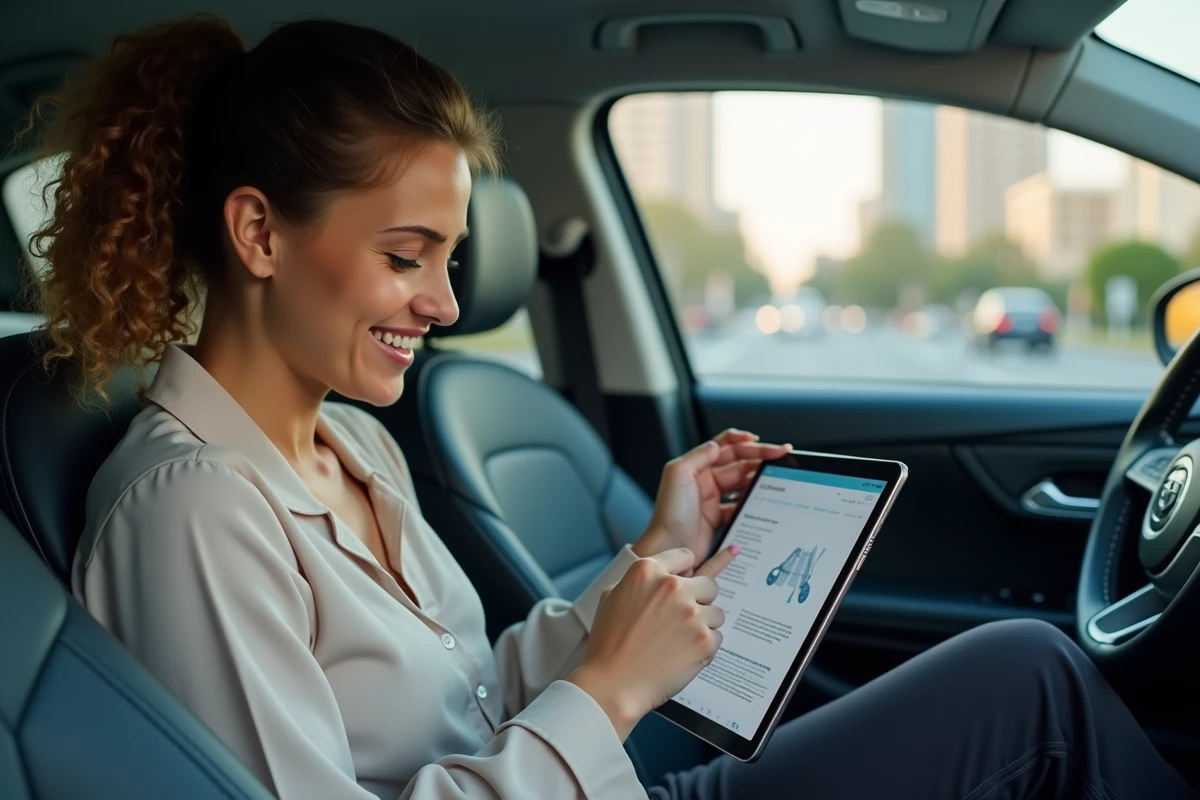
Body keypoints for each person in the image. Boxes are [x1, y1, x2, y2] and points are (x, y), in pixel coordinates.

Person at [27, 14, 1195, 800]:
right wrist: (612, 688)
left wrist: (650, 555)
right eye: (405, 255)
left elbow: (473, 693)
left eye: (452, 257)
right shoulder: (189, 510)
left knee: (1019, 671)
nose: (443, 302)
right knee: (1030, 683)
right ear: (259, 232)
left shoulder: (355, 442)